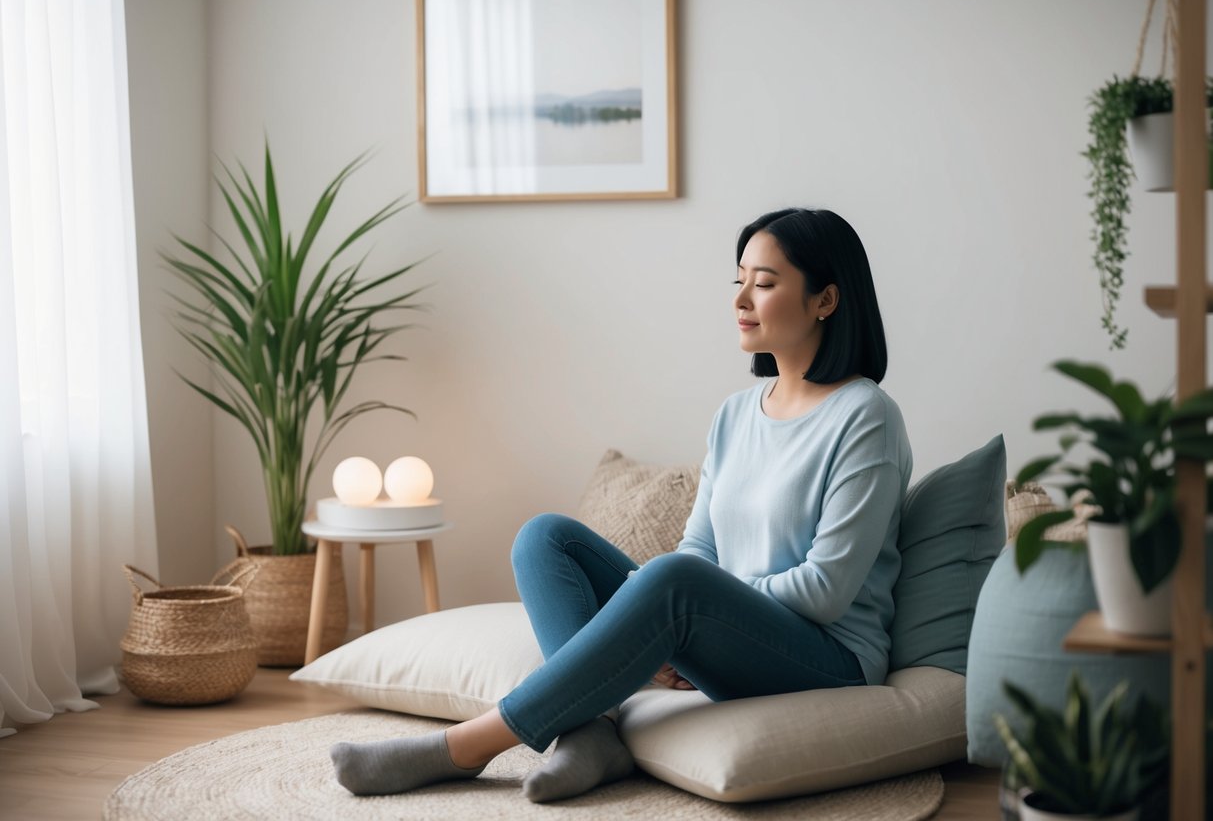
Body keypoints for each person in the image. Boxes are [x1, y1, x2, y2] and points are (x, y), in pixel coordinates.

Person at [329, 207, 913, 803]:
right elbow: (700, 550)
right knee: (546, 538)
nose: (741, 298)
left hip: (827, 659)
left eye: (764, 283)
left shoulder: (865, 416)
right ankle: (595, 733)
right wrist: (668, 623)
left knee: (672, 578)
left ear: (826, 300)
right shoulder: (736, 415)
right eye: (737, 280)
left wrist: (686, 618)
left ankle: (466, 747)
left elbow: (827, 589)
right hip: (732, 636)